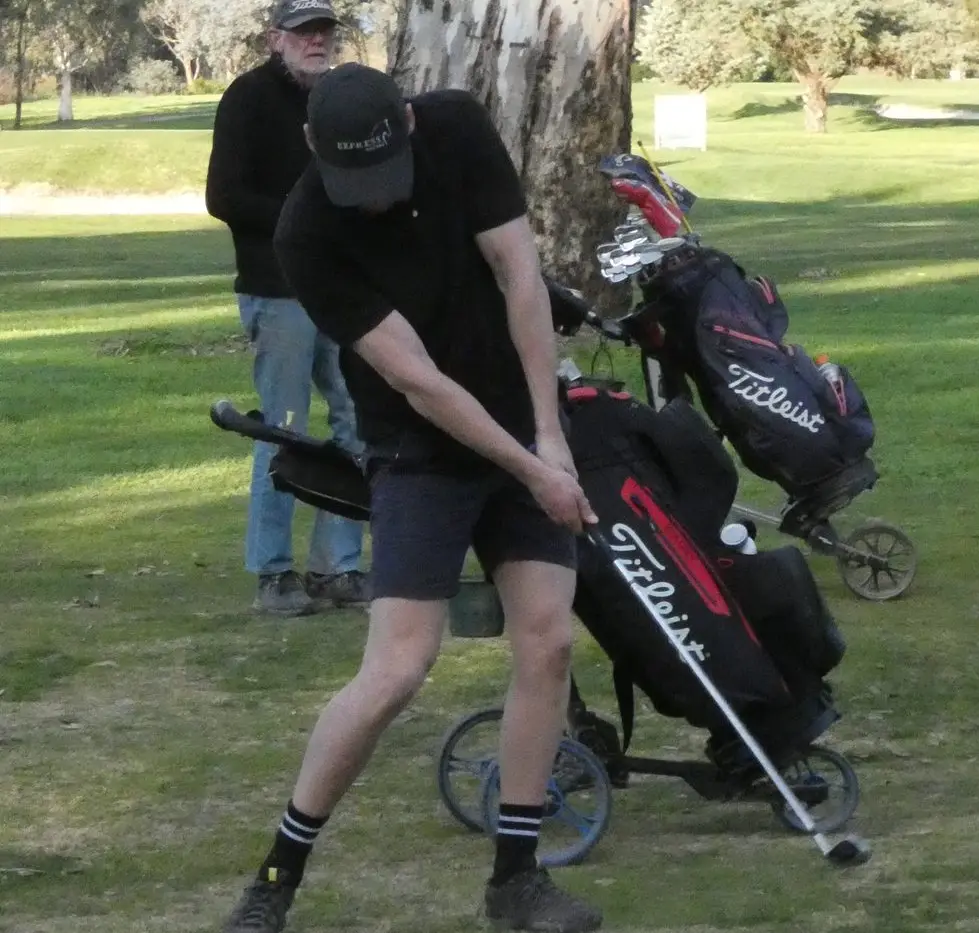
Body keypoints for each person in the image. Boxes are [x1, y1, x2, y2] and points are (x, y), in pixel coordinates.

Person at [219, 62, 605, 933]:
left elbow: (520, 277)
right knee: (397, 667)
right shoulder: (306, 233)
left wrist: (549, 433)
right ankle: (276, 879)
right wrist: (534, 468)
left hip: (518, 417)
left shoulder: (460, 128)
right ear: (314, 150)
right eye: (358, 185)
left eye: (387, 177)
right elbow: (420, 382)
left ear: (411, 129)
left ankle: (516, 880)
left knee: (545, 640)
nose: (378, 202)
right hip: (418, 446)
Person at [206, 0, 370, 617]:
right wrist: (300, 225)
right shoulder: (247, 99)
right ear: (276, 38)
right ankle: (273, 575)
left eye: (325, 31)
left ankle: (340, 569)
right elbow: (223, 197)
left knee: (359, 421)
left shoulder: (340, 100)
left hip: (343, 292)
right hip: (279, 294)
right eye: (304, 32)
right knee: (284, 428)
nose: (317, 41)